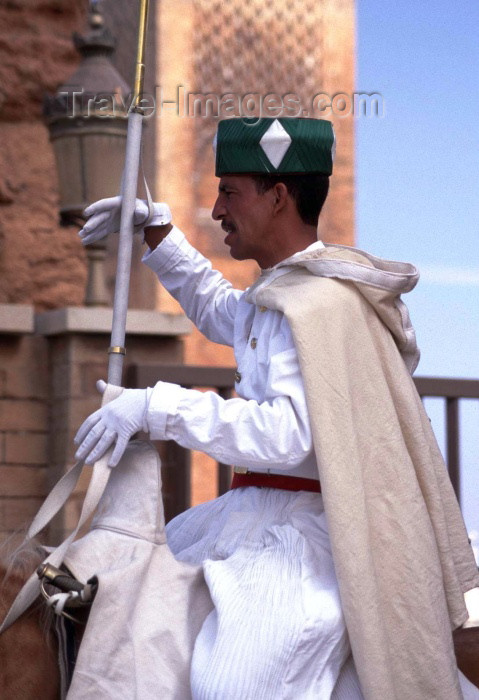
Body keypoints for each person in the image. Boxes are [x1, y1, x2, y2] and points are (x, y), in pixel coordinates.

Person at [75, 117, 479, 700]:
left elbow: (289, 437)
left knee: (231, 688)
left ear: (278, 196)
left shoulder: (321, 304)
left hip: (303, 540)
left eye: (229, 192)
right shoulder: (285, 294)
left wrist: (157, 407)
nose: (217, 210)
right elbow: (225, 314)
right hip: (250, 516)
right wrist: (159, 237)